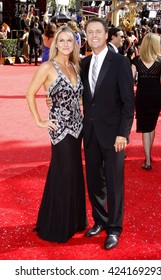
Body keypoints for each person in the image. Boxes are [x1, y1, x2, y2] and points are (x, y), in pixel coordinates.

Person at [26, 26, 87, 243]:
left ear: (75, 44)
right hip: (60, 130)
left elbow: (78, 99)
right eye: (61, 41)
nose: (65, 45)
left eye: (69, 41)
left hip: (78, 128)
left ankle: (73, 220)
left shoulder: (75, 66)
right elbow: (29, 93)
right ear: (55, 43)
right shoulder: (47, 67)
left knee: (74, 173)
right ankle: (58, 224)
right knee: (63, 172)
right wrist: (39, 120)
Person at [81, 17, 134, 250]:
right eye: (90, 31)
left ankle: (114, 228)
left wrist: (123, 133)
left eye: (98, 31)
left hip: (114, 136)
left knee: (114, 183)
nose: (93, 35)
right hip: (90, 133)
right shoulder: (84, 63)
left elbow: (128, 102)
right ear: (86, 36)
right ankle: (100, 221)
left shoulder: (120, 62)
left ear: (106, 35)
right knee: (94, 181)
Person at [131, 33, 161, 170]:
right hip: (156, 96)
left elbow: (130, 81)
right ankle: (148, 156)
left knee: (146, 127)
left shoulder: (136, 61)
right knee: (151, 125)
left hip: (142, 96)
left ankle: (147, 159)